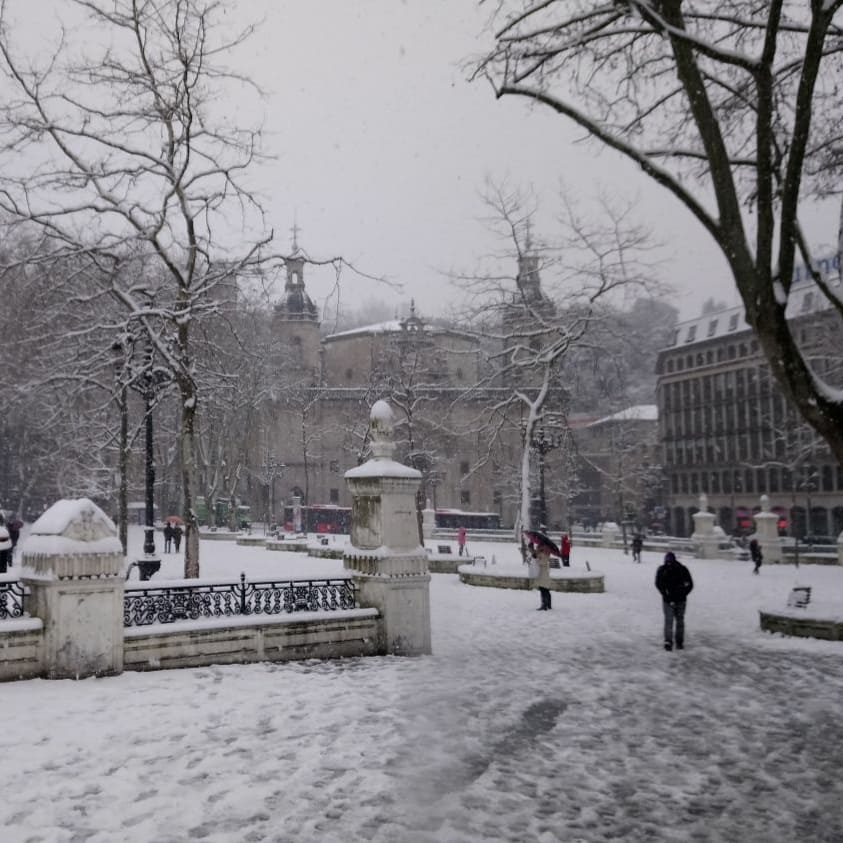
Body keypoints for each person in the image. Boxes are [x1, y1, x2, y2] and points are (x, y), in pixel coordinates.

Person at [655, 551, 694, 651]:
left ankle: (679, 641)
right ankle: (668, 641)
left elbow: (689, 584)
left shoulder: (682, 570)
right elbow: (658, 584)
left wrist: (682, 594)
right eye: (667, 561)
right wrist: (665, 594)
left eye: (670, 561)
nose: (668, 563)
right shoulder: (662, 570)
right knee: (669, 620)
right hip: (668, 600)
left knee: (679, 621)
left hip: (680, 600)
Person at [530, 543, 552, 610]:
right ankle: (548, 604)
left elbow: (542, 562)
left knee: (544, 589)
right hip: (541, 574)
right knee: (545, 589)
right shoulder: (541, 553)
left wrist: (536, 559)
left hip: (543, 574)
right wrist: (534, 556)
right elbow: (536, 559)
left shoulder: (545, 554)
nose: (537, 548)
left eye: (538, 547)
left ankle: (544, 605)